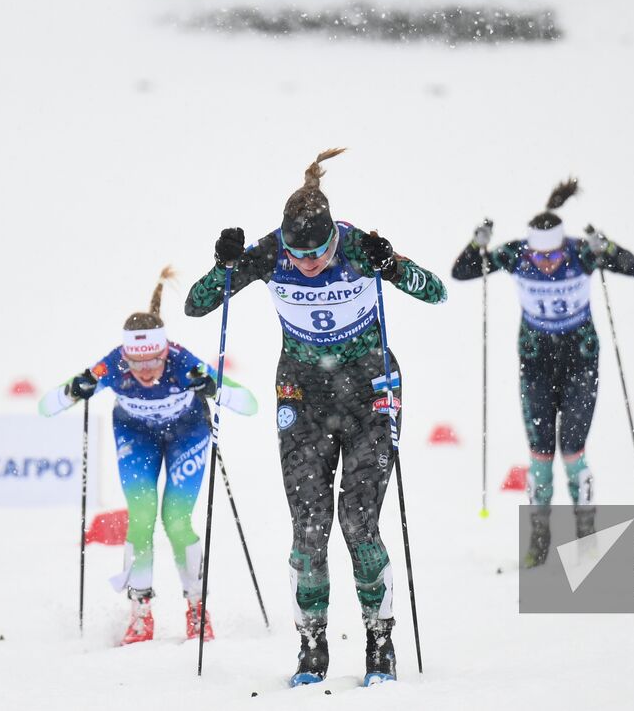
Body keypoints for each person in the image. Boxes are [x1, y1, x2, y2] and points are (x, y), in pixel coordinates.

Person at [185, 148, 446, 688]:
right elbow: (196, 304)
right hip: (302, 396)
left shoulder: (357, 246)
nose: (309, 264)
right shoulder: (268, 253)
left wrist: (392, 264)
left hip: (371, 393)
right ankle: (311, 645)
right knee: (308, 531)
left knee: (359, 523)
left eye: (320, 253)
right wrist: (225, 263)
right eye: (299, 256)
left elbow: (436, 292)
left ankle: (380, 642)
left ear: (334, 237)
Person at [40, 266, 258, 645]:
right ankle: (140, 614)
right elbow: (46, 406)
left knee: (175, 519)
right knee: (140, 515)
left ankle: (196, 609)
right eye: (136, 363)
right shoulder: (113, 364)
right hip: (136, 434)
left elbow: (250, 404)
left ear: (164, 351)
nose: (144, 371)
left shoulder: (181, 360)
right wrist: (75, 390)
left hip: (186, 433)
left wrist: (213, 388)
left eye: (153, 361)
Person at [449, 179, 634, 567]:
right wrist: (478, 243)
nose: (547, 265)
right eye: (540, 260)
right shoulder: (517, 255)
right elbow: (462, 271)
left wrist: (607, 247)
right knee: (539, 454)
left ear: (562, 245)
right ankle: (540, 537)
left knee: (572, 451)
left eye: (552, 257)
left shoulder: (580, 254)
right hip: (536, 363)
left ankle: (586, 533)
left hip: (580, 362)